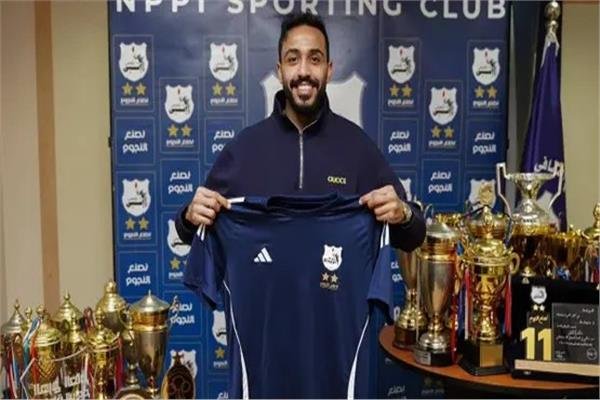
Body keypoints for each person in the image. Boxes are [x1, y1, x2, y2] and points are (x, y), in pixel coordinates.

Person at [175, 12, 425, 251]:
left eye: (315, 59)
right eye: (293, 59)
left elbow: (413, 236)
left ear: (329, 70)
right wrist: (190, 216)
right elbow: (188, 232)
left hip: (337, 283)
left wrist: (402, 213)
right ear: (279, 70)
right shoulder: (244, 149)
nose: (304, 71)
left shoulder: (357, 147)